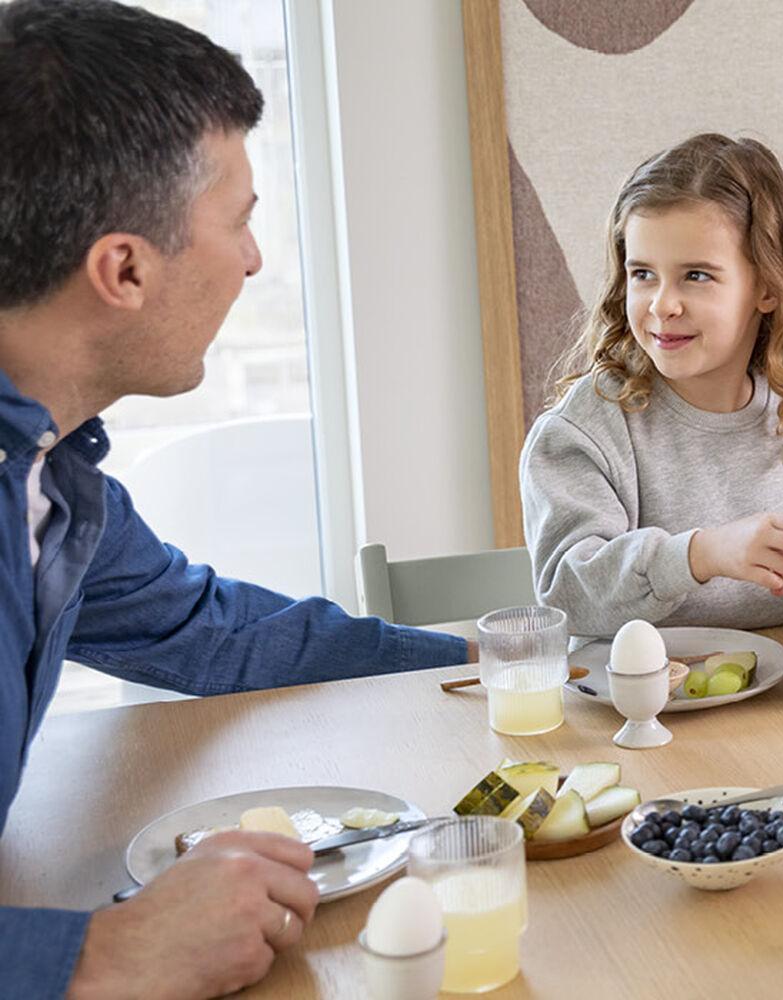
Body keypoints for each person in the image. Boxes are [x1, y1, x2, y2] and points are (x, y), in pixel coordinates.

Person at [0, 2, 476, 996]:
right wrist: (95, 955)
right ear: (123, 268)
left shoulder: (52, 479)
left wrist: (471, 663)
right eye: (241, 220)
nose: (254, 260)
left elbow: (216, 632)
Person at [522, 133, 783, 637]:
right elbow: (571, 594)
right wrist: (703, 553)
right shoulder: (586, 428)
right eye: (642, 274)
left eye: (696, 275)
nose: (662, 304)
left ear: (767, 287)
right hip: (638, 708)